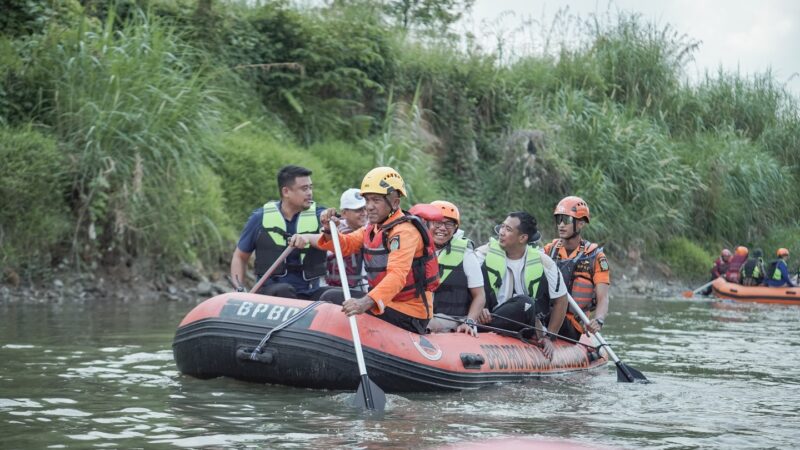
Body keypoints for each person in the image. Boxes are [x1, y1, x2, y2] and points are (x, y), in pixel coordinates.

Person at [307, 167, 440, 334]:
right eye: (367, 200)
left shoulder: (404, 232)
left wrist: (365, 302)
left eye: (376, 200)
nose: (369, 207)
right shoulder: (373, 228)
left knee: (331, 298)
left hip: (409, 312)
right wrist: (328, 230)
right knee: (327, 294)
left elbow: (397, 275)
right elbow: (346, 245)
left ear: (395, 202)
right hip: (387, 302)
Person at [475, 212, 568, 359]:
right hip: (486, 319)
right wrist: (479, 308)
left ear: (523, 238)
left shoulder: (545, 263)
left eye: (508, 229)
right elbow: (468, 287)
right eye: (502, 227)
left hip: (526, 321)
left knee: (525, 304)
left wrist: (550, 337)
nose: (501, 232)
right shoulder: (482, 255)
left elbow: (561, 301)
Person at [230, 165, 327, 298]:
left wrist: (329, 221)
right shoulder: (259, 218)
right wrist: (238, 289)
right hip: (274, 293)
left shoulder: (320, 215)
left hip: (309, 292)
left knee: (334, 295)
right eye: (304, 189)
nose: (309, 192)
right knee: (285, 290)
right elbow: (240, 257)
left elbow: (329, 234)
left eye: (311, 187)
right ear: (286, 192)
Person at [543, 196, 610, 340]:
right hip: (546, 313)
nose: (561, 225)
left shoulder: (595, 257)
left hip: (571, 324)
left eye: (566, 220)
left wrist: (598, 320)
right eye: (558, 219)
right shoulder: (549, 250)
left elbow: (603, 298)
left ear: (580, 224)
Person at [426, 200, 486, 337]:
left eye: (449, 224)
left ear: (455, 229)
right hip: (418, 312)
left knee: (429, 323)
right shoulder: (416, 249)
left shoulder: (466, 255)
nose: (443, 228)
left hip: (452, 318)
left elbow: (480, 295)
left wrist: (470, 321)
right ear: (427, 223)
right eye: (438, 222)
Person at [323, 188, 368, 292]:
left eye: (365, 208)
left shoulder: (375, 228)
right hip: (339, 290)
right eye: (358, 210)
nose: (364, 213)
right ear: (343, 213)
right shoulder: (331, 230)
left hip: (368, 291)